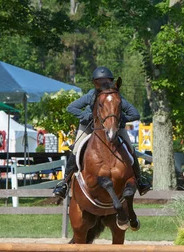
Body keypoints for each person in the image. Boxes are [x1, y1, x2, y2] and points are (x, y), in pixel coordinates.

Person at [53, 66, 151, 200]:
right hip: (89, 125)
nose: (104, 82)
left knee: (131, 150)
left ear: (111, 81)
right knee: (76, 150)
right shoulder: (91, 95)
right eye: (100, 80)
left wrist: (119, 119)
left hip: (114, 126)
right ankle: (64, 184)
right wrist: (85, 116)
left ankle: (140, 181)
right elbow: (71, 107)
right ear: (95, 83)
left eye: (106, 80)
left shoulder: (116, 96)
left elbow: (135, 114)